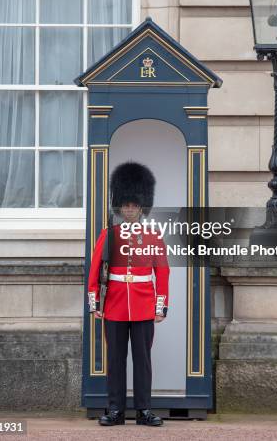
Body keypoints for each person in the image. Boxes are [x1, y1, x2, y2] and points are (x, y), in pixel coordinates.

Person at [87, 161, 170, 426]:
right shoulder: (109, 234)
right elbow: (95, 269)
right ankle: (115, 411)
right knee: (115, 360)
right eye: (126, 205)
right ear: (120, 207)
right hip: (115, 304)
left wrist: (161, 305)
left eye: (134, 205)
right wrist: (95, 302)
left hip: (144, 303)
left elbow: (163, 273)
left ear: (141, 207)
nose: (130, 209)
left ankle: (144, 411)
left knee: (143, 361)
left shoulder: (154, 236)